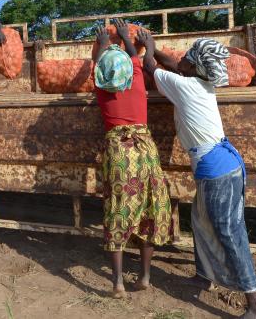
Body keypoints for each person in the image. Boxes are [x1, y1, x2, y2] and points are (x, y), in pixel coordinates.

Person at [138, 30, 256, 319]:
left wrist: (147, 48)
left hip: (217, 170)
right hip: (220, 164)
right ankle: (204, 276)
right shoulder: (198, 82)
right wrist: (156, 47)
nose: (181, 59)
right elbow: (174, 65)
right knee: (200, 221)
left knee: (229, 232)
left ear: (194, 66)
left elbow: (151, 67)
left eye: (187, 56)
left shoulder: (186, 87)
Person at [93, 19, 172, 299]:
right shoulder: (137, 79)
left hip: (119, 152)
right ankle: (146, 277)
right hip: (145, 150)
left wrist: (103, 44)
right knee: (148, 209)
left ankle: (117, 284)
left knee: (118, 209)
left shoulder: (102, 91)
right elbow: (135, 58)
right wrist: (127, 37)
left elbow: (99, 64)